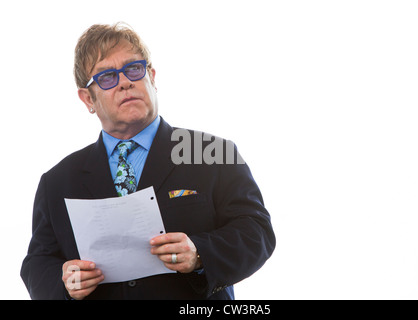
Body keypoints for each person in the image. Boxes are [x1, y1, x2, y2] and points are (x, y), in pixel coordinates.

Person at [20, 22, 276, 300]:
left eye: (133, 69)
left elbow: (256, 231)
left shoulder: (212, 152)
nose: (126, 82)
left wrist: (200, 253)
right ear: (87, 99)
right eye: (107, 76)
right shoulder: (57, 181)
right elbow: (37, 263)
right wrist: (64, 283)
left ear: (152, 77)